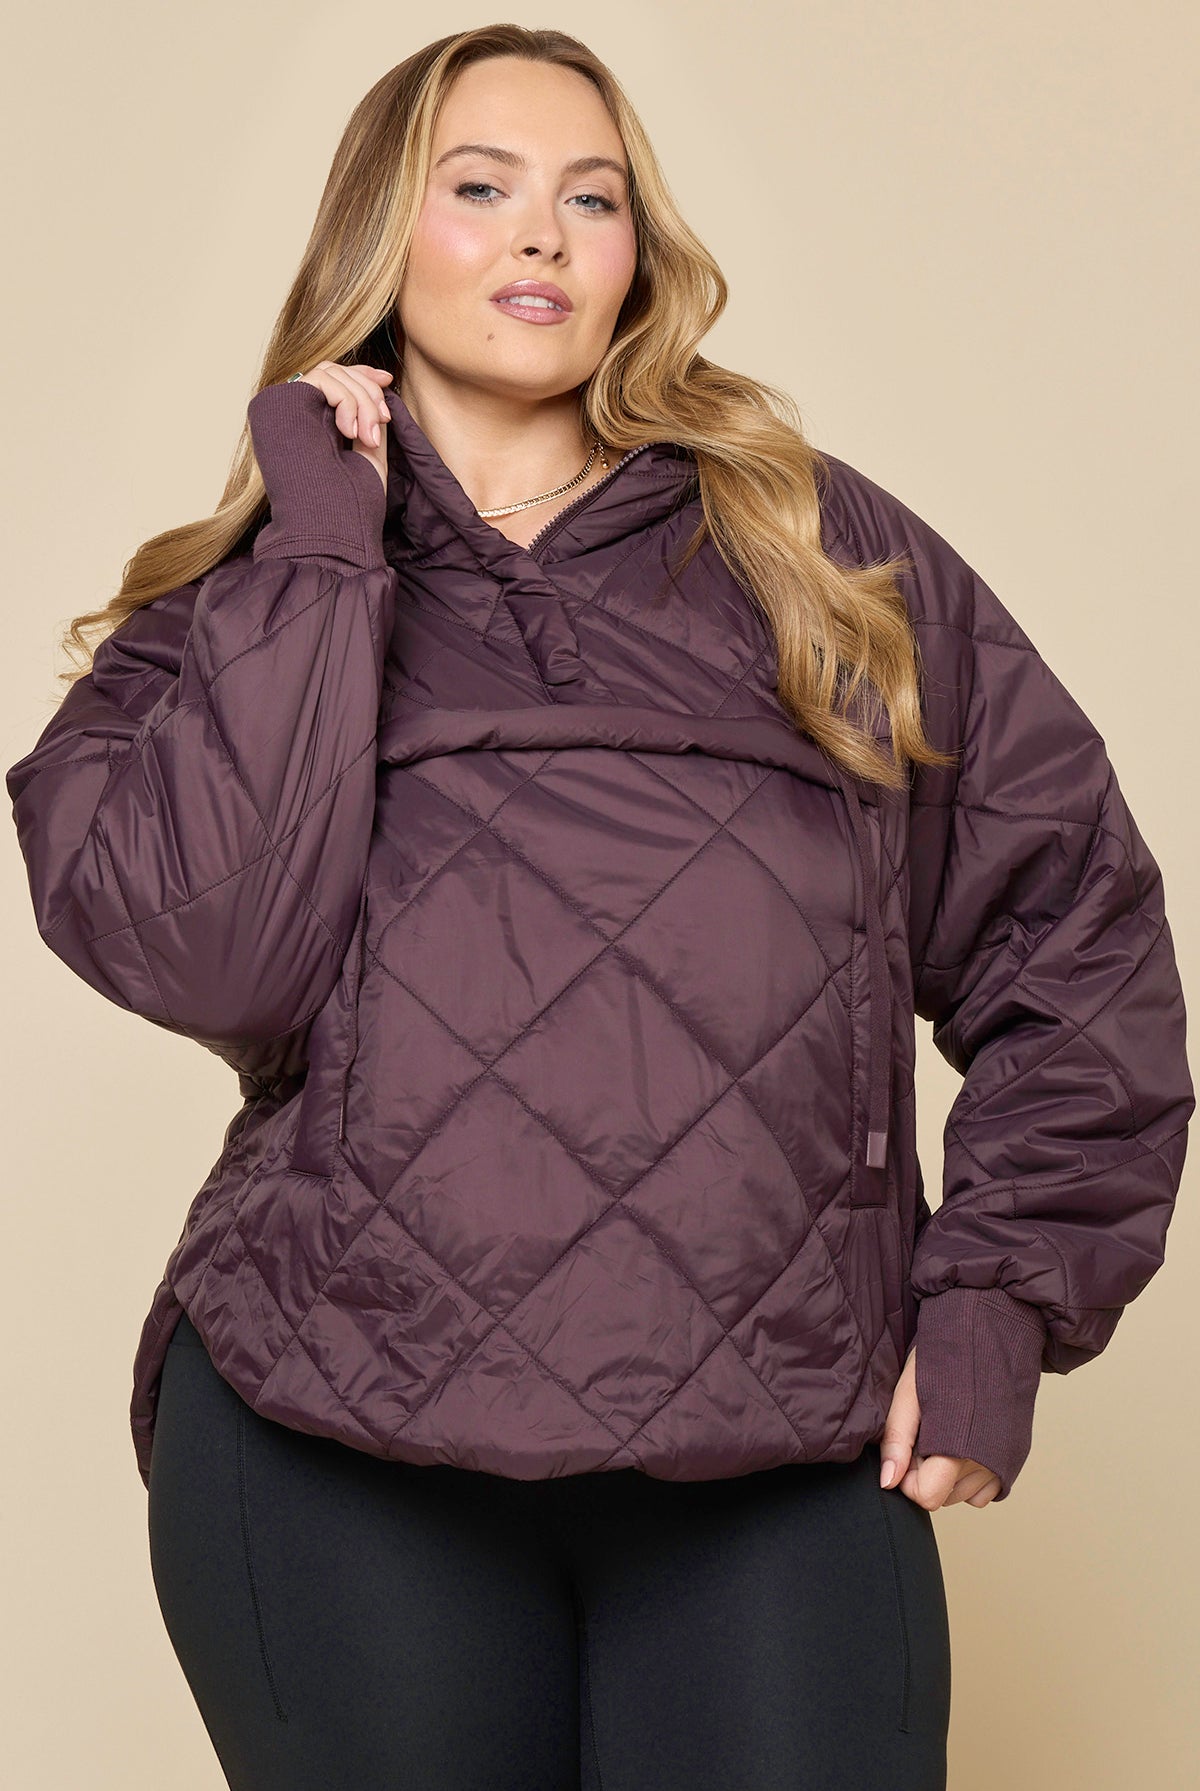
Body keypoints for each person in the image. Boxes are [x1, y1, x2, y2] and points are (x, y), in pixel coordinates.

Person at [6, 25, 1192, 1791]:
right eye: (479, 188)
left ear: (640, 252)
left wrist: (999, 1302)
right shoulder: (247, 598)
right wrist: (323, 555)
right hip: (331, 1426)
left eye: (593, 198)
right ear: (381, 236)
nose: (541, 235)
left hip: (787, 1433)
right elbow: (212, 955)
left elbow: (1077, 937)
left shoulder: (816, 550)